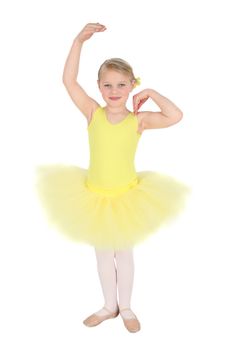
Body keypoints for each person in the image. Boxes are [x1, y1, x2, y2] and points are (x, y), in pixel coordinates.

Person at [34, 23, 191, 333]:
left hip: (126, 197)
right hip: (94, 195)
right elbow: (68, 80)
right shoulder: (93, 113)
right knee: (103, 254)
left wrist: (152, 92)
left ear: (132, 85)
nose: (115, 92)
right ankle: (109, 306)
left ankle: (128, 306)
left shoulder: (139, 121)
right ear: (98, 86)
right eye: (108, 85)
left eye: (122, 85)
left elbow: (175, 116)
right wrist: (78, 40)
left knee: (125, 253)